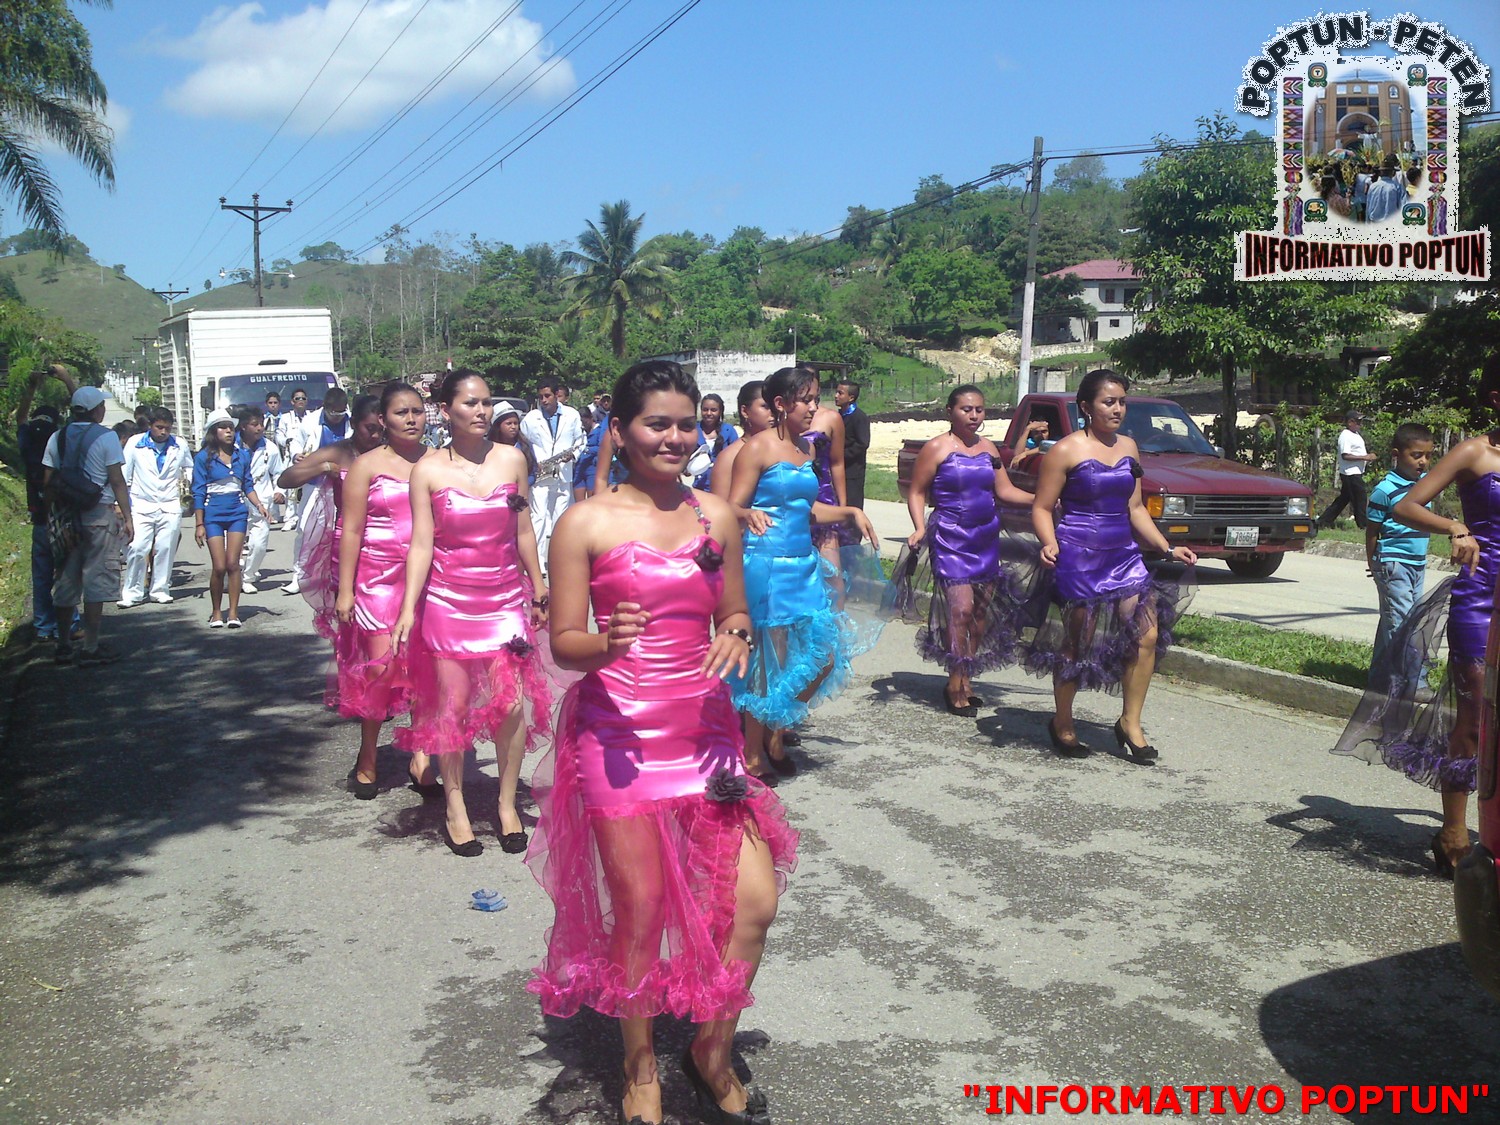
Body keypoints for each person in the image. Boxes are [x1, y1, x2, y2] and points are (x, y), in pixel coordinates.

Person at [528, 358, 797, 1125]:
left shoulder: (716, 516)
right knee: (641, 910)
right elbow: (564, 641)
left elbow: (733, 610)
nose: (675, 437)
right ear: (620, 430)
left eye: (685, 423)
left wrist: (736, 632)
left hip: (705, 736)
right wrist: (606, 642)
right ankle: (639, 1063)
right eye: (657, 424)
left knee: (754, 901)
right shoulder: (584, 522)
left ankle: (710, 1049)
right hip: (620, 738)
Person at [1336, 356, 1500, 877]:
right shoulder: (1475, 451)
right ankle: (1453, 830)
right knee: (1473, 719)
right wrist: (1455, 527)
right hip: (1482, 596)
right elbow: (1405, 506)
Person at [393, 371, 551, 858]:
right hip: (448, 603)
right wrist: (407, 608)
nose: (481, 411)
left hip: (504, 601)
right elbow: (422, 544)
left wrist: (539, 586)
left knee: (511, 705)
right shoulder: (427, 470)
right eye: (469, 403)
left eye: (486, 402)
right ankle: (456, 805)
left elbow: (523, 529)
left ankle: (506, 803)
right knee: (453, 707)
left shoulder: (512, 458)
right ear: (446, 410)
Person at [1024, 369, 1197, 762]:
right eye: (1109, 402)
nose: (1118, 409)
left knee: (1147, 635)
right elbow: (1042, 508)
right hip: (1079, 555)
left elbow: (1135, 508)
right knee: (1078, 641)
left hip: (1124, 555)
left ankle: (1130, 723)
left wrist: (1166, 547)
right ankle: (1062, 721)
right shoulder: (1065, 450)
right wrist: (1049, 542)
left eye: (1122, 402)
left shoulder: (1129, 447)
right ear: (1087, 407)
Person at [728, 365, 882, 783]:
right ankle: (753, 752)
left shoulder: (805, 449)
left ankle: (775, 731)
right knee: (767, 663)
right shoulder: (757, 449)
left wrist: (850, 511)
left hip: (803, 564)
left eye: (817, 398)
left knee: (824, 656)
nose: (815, 407)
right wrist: (746, 513)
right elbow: (729, 507)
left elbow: (806, 509)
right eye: (807, 400)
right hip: (768, 566)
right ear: (781, 404)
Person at [892, 386, 1039, 717]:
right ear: (950, 411)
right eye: (966, 409)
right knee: (960, 609)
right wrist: (919, 526)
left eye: (979, 410)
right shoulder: (936, 448)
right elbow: (917, 492)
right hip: (950, 537)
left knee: (980, 613)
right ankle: (954, 682)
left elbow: (1005, 490)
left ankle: (967, 676)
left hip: (985, 537)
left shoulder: (988, 448)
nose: (974, 416)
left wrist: (1041, 499)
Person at [336, 383, 437, 800]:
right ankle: (368, 753)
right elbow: (351, 530)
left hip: (429, 578)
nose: (411, 419)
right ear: (382, 419)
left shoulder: (439, 461)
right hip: (377, 580)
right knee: (381, 670)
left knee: (427, 671)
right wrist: (345, 590)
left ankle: (422, 755)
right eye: (401, 412)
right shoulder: (366, 465)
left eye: (417, 411)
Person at [277, 395, 387, 639]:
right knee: (349, 617)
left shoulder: (389, 452)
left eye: (381, 430)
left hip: (386, 544)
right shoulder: (339, 451)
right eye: (369, 429)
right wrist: (323, 467)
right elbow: (285, 479)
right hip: (346, 541)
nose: (375, 436)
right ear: (354, 423)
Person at [42, 386, 133, 665]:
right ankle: (90, 646)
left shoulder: (57, 437)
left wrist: (51, 517)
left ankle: (63, 644)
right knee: (96, 580)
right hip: (98, 515)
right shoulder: (106, 437)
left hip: (66, 517)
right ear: (96, 411)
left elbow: (48, 481)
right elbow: (117, 480)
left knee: (66, 580)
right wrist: (128, 517)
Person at [1364, 423, 1435, 685]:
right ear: (1397, 454)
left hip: (1417, 563)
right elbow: (1372, 531)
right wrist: (1373, 563)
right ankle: (1414, 682)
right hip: (1393, 564)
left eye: (1428, 455)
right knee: (1404, 625)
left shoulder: (1425, 486)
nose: (1423, 461)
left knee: (1397, 620)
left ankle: (1378, 679)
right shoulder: (1385, 490)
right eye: (1416, 455)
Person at [192, 410, 268, 630]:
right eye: (222, 427)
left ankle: (233, 612)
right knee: (219, 566)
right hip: (213, 515)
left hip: (237, 513)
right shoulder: (203, 458)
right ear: (212, 432)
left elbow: (247, 485)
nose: (228, 431)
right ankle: (217, 611)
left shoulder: (241, 455)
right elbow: (198, 491)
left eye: (230, 428)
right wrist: (199, 524)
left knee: (233, 564)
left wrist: (259, 505)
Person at [119, 407, 191, 607]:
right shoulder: (135, 443)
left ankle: (160, 589)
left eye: (167, 428)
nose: (163, 432)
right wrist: (120, 503)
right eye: (159, 427)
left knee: (165, 548)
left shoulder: (179, 444)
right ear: (150, 426)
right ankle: (132, 592)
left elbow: (188, 466)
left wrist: (185, 484)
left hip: (170, 504)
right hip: (142, 503)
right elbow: (124, 473)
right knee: (137, 547)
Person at [520, 377, 586, 577]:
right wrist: (533, 462)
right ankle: (538, 562)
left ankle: (558, 559)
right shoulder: (531, 418)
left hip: (563, 472)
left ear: (557, 395)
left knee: (561, 518)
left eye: (547, 396)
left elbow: (580, 440)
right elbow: (524, 442)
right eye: (540, 397)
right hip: (541, 473)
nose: (544, 400)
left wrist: (573, 455)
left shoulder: (572, 415)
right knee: (538, 518)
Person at [19, 403, 61, 640]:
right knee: (66, 575)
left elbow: (21, 419)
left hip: (39, 519)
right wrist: (68, 383)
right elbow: (83, 415)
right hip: (62, 518)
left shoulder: (27, 444)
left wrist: (31, 389)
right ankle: (69, 625)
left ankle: (43, 626)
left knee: (41, 577)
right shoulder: (60, 441)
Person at [236, 406, 285, 594]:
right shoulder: (232, 446)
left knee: (259, 543)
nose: (259, 428)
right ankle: (233, 574)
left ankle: (248, 576)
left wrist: (279, 490)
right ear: (243, 426)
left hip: (261, 498)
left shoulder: (269, 448)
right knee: (231, 543)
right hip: (235, 498)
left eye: (261, 424)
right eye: (254, 424)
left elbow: (278, 472)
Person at [709, 380, 773, 498]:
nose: (773, 412)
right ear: (745, 411)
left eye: (775, 406)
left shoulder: (782, 449)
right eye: (766, 407)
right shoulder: (729, 457)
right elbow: (721, 505)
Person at [1317, 410, 1378, 530]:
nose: (1360, 424)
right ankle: (1363, 525)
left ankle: (1323, 521)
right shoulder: (1345, 436)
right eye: (1358, 422)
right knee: (1360, 498)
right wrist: (1365, 457)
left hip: (1356, 472)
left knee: (1344, 499)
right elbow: (1346, 455)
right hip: (1350, 473)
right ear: (1350, 422)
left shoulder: (1356, 435)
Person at [690, 393, 739, 490]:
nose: (709, 413)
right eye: (705, 409)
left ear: (720, 411)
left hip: (723, 487)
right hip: (699, 487)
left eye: (713, 410)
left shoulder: (728, 431)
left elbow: (737, 457)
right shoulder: (693, 430)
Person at [834, 379, 871, 509]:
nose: (836, 396)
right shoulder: (838, 416)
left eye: (840, 393)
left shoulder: (859, 417)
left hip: (852, 472)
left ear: (851, 398)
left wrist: (840, 456)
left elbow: (862, 444)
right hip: (837, 470)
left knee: (851, 507)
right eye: (836, 392)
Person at [1364, 155, 1407, 224]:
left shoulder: (1373, 186)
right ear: (1393, 173)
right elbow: (1403, 206)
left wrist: (1367, 223)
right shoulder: (1397, 187)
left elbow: (1368, 206)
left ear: (1380, 173)